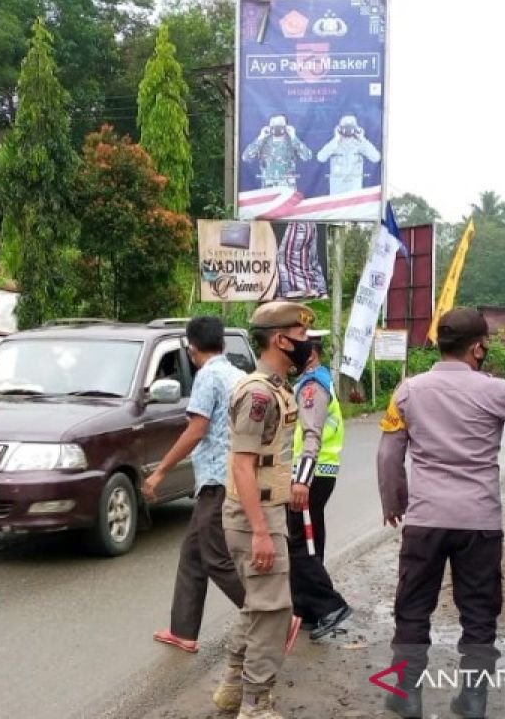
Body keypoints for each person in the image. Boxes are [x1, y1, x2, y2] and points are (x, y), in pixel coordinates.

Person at [377, 309, 505, 719]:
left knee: (413, 608)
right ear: (478, 347)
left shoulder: (407, 391)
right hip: (479, 523)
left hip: (425, 520)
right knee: (478, 612)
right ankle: (473, 698)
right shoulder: (495, 391)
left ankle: (407, 693)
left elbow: (388, 455)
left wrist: (394, 502)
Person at [212, 301, 315, 719]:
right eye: (302, 337)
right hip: (255, 517)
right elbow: (242, 463)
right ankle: (256, 704)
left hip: (263, 513)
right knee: (273, 610)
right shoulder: (257, 392)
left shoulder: (274, 386)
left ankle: (233, 688)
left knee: (259, 604)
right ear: (280, 339)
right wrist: (259, 530)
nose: (307, 344)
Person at [143, 316, 247, 653]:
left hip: (217, 481)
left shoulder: (208, 376)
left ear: (191, 349)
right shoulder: (239, 375)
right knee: (192, 554)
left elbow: (196, 429)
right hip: (231, 476)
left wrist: (160, 471)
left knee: (215, 557)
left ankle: (270, 617)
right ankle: (183, 630)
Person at [287, 331, 352, 642]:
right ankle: (307, 611)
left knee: (298, 544)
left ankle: (330, 606)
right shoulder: (317, 380)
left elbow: (311, 435)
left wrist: (301, 479)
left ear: (310, 352)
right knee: (311, 540)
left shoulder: (312, 385)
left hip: (310, 473)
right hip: (320, 471)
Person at [314, 115, 380, 195]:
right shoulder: (334, 145)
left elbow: (376, 157)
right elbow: (320, 157)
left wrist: (362, 139)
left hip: (354, 193)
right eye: (345, 128)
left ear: (355, 129)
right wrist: (336, 139)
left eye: (351, 128)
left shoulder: (360, 145)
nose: (348, 131)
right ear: (340, 129)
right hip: (337, 193)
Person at [242, 115, 312, 190]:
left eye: (279, 123)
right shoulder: (263, 142)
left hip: (287, 188)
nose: (276, 126)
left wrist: (293, 136)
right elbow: (246, 157)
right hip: (268, 188)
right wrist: (260, 137)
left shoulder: (292, 142)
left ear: (286, 126)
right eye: (273, 123)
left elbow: (307, 156)